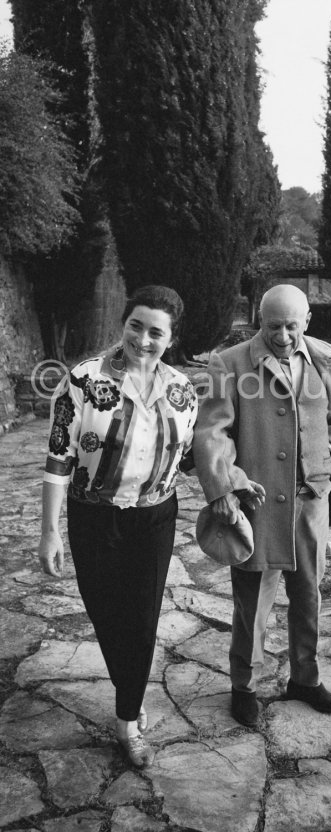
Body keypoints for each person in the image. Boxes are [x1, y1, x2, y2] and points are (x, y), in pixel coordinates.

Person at [193, 284, 331, 728]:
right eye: (274, 326)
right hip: (257, 504)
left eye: (293, 326)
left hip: (311, 500)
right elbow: (212, 433)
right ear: (260, 322)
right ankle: (244, 687)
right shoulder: (230, 364)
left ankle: (305, 680)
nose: (285, 336)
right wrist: (224, 487)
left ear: (307, 321)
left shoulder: (329, 359)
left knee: (308, 595)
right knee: (251, 601)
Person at [38, 284, 197, 767]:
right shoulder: (83, 380)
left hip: (154, 517)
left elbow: (189, 457)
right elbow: (59, 455)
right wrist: (50, 530)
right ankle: (130, 686)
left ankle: (127, 719)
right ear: (124, 323)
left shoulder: (182, 390)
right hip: (92, 515)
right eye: (136, 326)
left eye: (155, 332)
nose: (143, 339)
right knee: (106, 612)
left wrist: (231, 483)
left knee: (143, 618)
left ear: (169, 338)